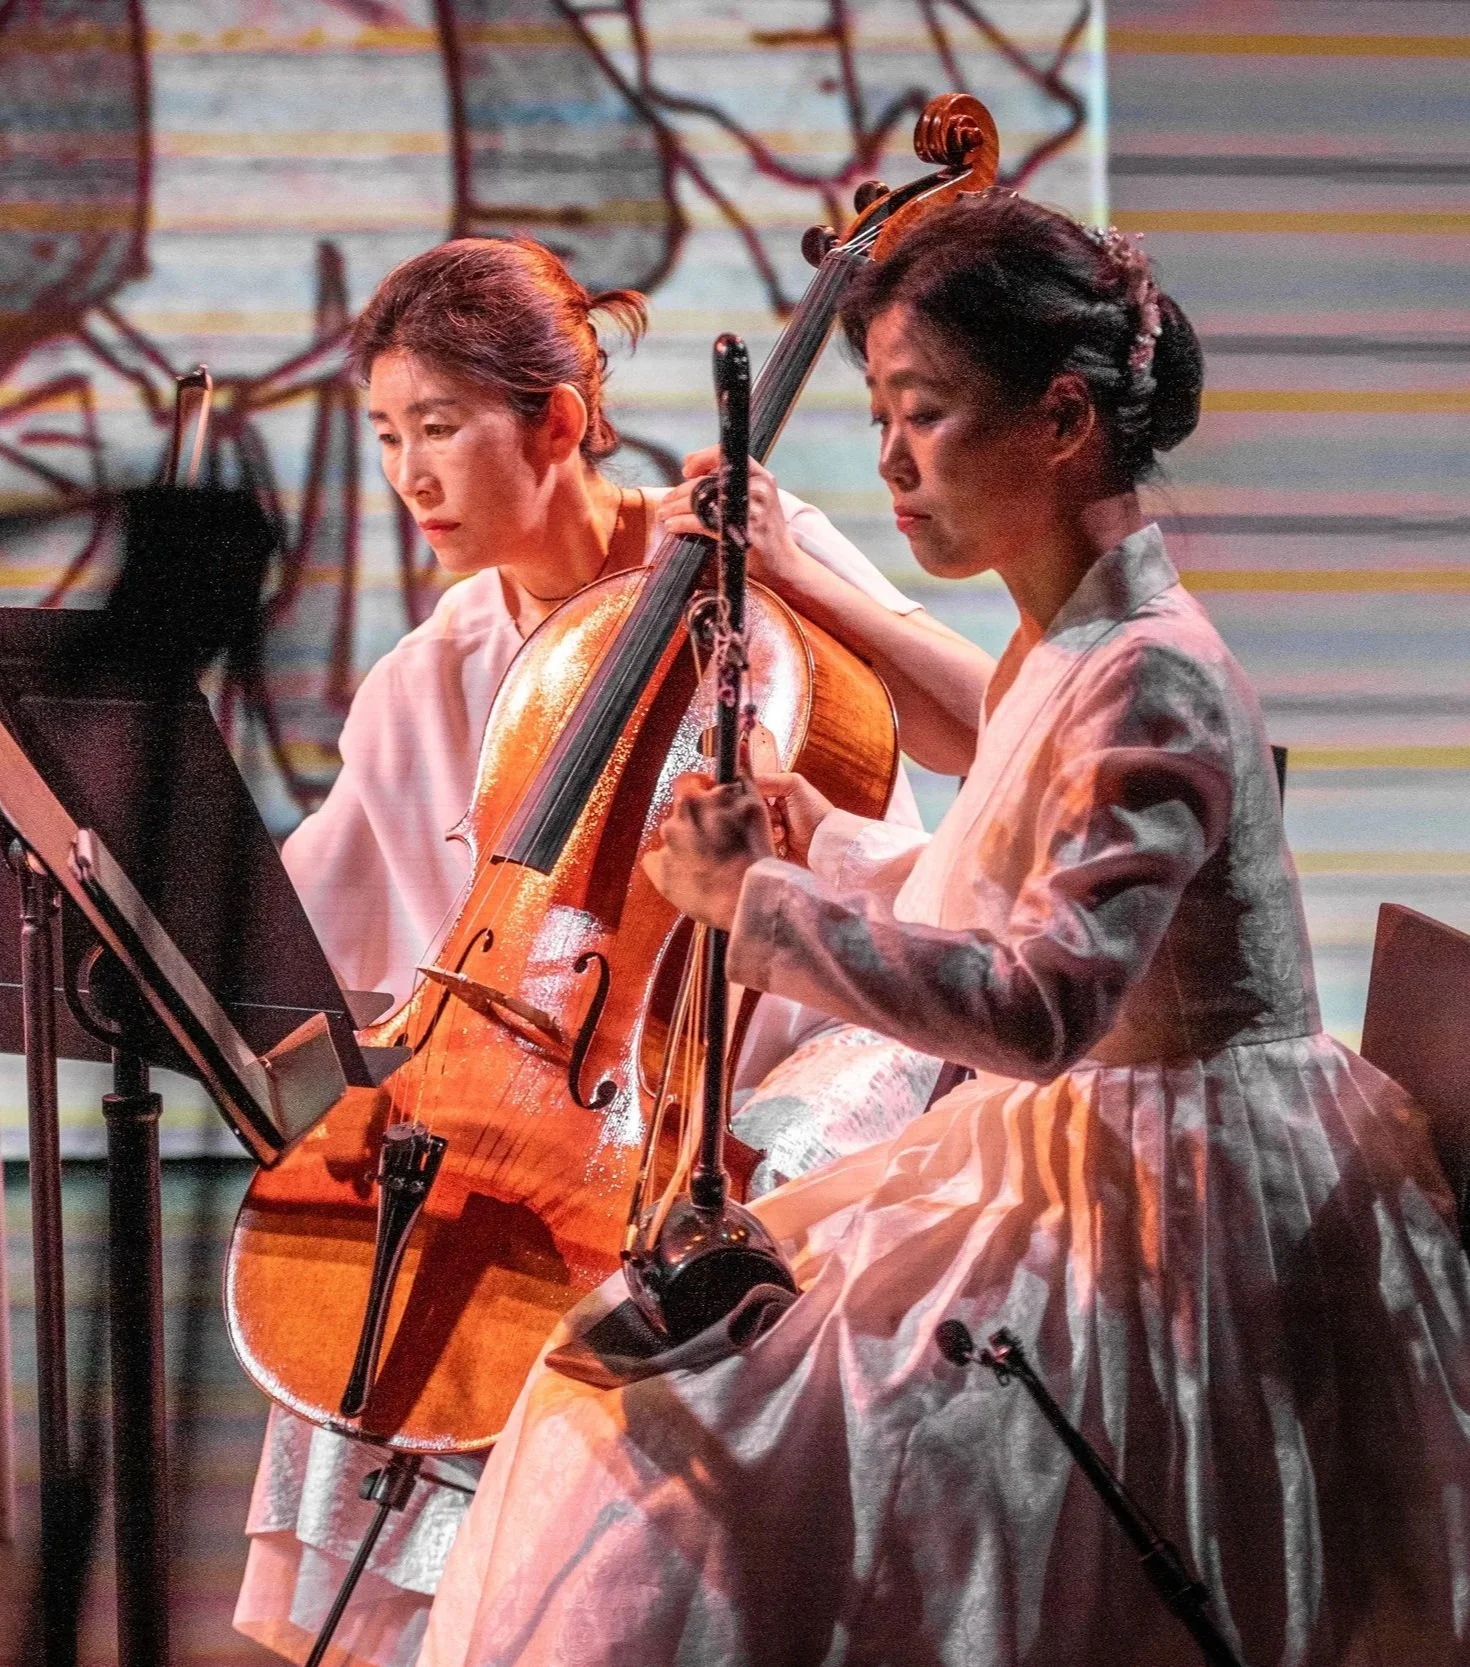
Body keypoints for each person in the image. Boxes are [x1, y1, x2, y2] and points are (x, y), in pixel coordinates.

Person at [417, 195, 1470, 1667]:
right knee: (650, 1367)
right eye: (879, 415)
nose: (890, 463)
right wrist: (820, 838)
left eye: (924, 416)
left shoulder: (1148, 674)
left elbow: (1041, 1005)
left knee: (704, 1421)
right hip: (1097, 1140)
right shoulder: (1069, 637)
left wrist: (762, 909)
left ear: (1058, 420)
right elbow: (989, 883)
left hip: (1183, 1204)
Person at [237, 236, 998, 1667]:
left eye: (443, 430)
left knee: (708, 1221)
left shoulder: (729, 544)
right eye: (388, 436)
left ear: (561, 422)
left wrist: (794, 574)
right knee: (383, 1264)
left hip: (833, 1015)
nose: (410, 477)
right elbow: (311, 914)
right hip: (579, 1077)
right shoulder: (449, 656)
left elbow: (980, 727)